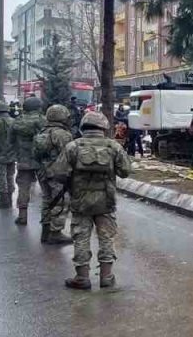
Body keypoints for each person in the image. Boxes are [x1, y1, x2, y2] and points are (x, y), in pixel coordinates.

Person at [48, 111, 131, 291]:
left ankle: (82, 278)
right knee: (106, 238)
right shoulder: (113, 146)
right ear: (104, 127)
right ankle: (107, 277)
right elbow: (125, 171)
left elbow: (59, 174)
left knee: (81, 238)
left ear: (83, 126)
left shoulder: (73, 146)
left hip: (80, 202)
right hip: (106, 202)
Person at [33, 105, 75, 245]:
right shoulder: (62, 134)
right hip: (57, 173)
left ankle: (46, 229)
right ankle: (55, 232)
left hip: (42, 171)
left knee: (47, 199)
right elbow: (69, 154)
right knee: (60, 201)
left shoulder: (42, 131)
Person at [12, 98, 46, 227]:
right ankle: (46, 219)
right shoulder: (42, 120)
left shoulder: (18, 120)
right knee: (46, 190)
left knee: (23, 188)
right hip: (40, 160)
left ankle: (22, 216)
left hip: (23, 160)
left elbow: (11, 140)